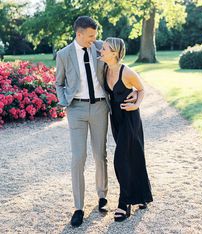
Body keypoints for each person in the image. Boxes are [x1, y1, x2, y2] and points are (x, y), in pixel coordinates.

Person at [55, 16, 136, 227]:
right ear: (79, 34)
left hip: (100, 107)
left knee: (100, 155)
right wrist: (65, 101)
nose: (95, 40)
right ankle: (79, 207)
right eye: (91, 36)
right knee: (78, 158)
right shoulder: (63, 54)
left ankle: (102, 196)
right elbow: (59, 83)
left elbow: (119, 66)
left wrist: (136, 92)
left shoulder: (100, 47)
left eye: (96, 36)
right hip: (76, 110)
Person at [100, 37, 153, 222]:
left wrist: (135, 104)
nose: (101, 51)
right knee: (134, 157)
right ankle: (142, 196)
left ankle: (125, 203)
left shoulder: (127, 72)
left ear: (114, 53)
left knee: (121, 159)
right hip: (116, 120)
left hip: (130, 119)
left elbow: (141, 89)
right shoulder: (105, 69)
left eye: (104, 48)